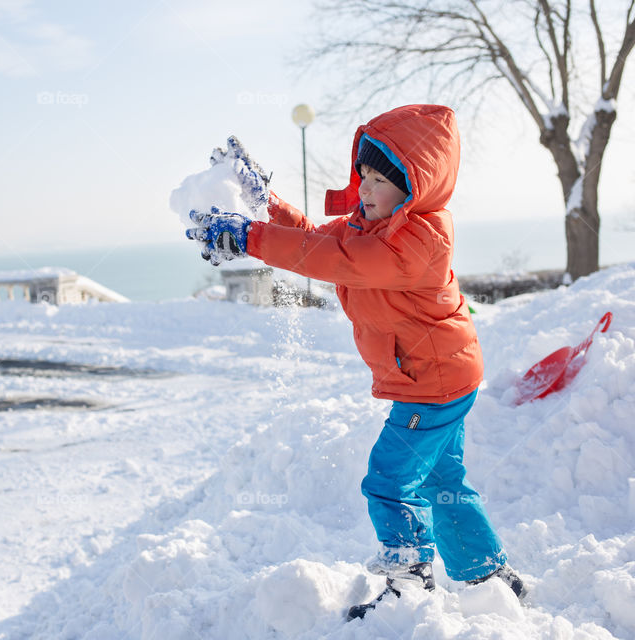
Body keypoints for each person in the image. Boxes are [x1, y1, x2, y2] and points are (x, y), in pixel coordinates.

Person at [186, 105, 525, 618]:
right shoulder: (370, 227)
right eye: (363, 175)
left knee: (389, 480)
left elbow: (333, 260)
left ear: (414, 186)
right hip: (441, 375)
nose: (364, 188)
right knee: (441, 481)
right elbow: (318, 241)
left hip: (430, 384)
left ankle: (409, 587)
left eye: (379, 180)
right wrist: (266, 203)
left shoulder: (417, 241)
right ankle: (488, 577)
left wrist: (249, 237)